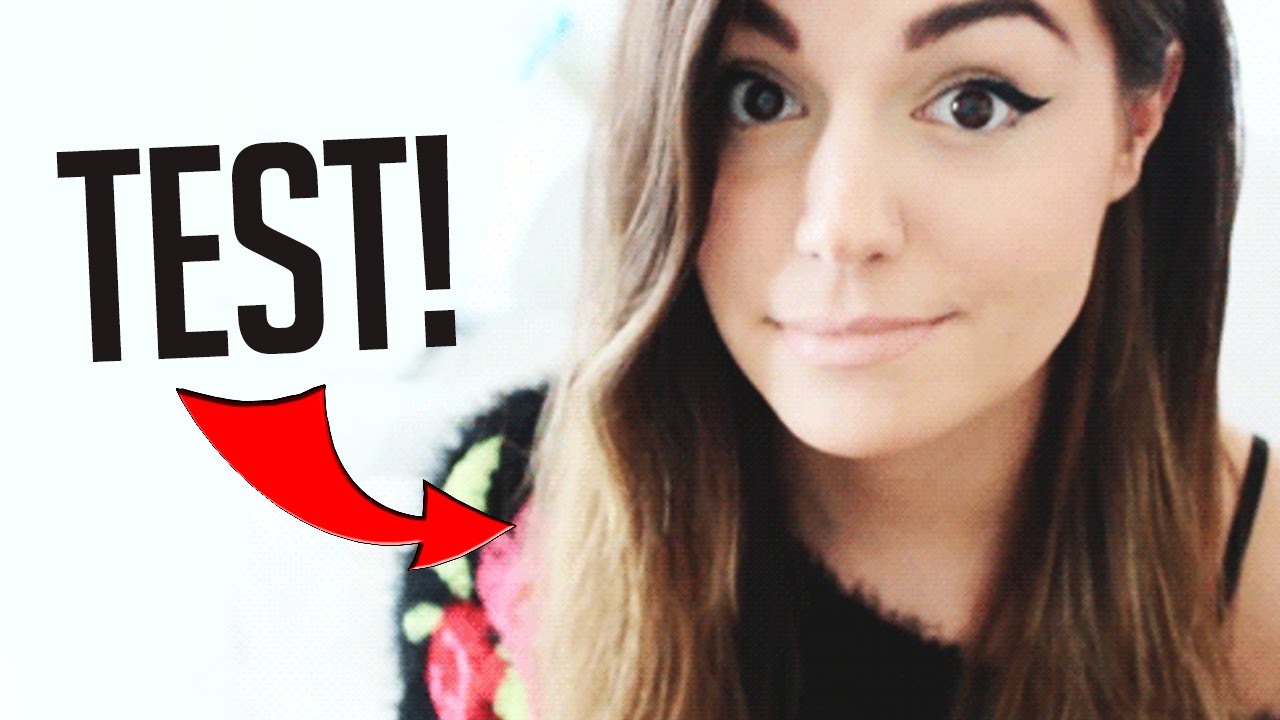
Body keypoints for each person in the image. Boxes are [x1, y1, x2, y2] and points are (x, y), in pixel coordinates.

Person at [396, 0, 1279, 718]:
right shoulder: (502, 520)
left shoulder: (1264, 601)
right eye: (755, 98)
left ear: (1139, 118)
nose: (842, 228)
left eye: (974, 103)